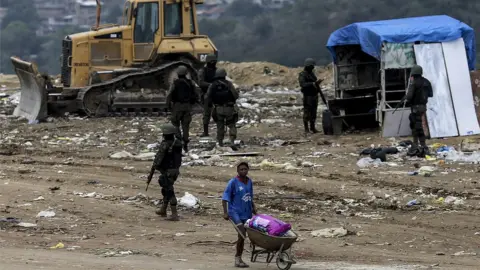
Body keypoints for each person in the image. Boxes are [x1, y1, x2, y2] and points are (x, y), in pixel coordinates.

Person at [222, 161, 257, 268]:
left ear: (248, 170)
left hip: (246, 213)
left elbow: (250, 196)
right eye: (241, 169)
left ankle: (239, 259)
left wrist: (253, 208)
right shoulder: (233, 182)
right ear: (237, 171)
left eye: (245, 169)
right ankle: (237, 258)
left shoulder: (249, 181)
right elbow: (225, 198)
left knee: (242, 237)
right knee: (242, 233)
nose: (243, 171)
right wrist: (225, 212)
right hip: (235, 212)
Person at [147, 123, 183, 221]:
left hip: (167, 171)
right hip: (175, 170)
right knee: (166, 189)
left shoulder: (165, 144)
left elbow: (158, 159)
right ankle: (163, 209)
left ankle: (174, 214)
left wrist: (154, 168)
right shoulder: (178, 143)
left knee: (169, 190)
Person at [166, 65, 198, 152]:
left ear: (178, 73)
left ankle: (179, 139)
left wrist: (168, 106)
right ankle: (185, 143)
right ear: (186, 73)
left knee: (175, 124)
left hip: (177, 106)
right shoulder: (191, 83)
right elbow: (196, 95)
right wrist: (192, 104)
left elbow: (169, 95)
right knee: (186, 126)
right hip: (187, 107)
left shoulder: (175, 83)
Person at [205, 68, 239, 147]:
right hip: (229, 108)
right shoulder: (229, 84)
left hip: (218, 108)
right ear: (224, 75)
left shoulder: (212, 85)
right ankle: (232, 141)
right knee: (231, 124)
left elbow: (207, 96)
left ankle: (220, 142)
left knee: (220, 125)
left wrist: (210, 104)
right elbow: (235, 95)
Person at [405, 64, 433, 157]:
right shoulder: (427, 82)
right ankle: (418, 144)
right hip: (423, 107)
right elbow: (430, 94)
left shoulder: (414, 83)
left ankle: (420, 145)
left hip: (415, 107)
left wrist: (408, 95)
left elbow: (409, 97)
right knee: (416, 124)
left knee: (416, 126)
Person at [298, 58, 323, 134]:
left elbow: (314, 82)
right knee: (307, 112)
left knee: (314, 112)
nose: (312, 68)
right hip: (308, 96)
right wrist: (313, 84)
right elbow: (303, 84)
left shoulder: (312, 74)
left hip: (314, 95)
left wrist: (317, 83)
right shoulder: (302, 74)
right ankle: (306, 129)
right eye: (311, 66)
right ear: (307, 66)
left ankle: (313, 128)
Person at [198, 54, 218, 137]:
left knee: (218, 114)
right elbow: (201, 83)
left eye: (214, 62)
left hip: (216, 95)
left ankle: (220, 130)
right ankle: (205, 132)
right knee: (206, 114)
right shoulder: (202, 71)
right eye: (212, 62)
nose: (213, 63)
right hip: (206, 95)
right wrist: (211, 85)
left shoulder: (217, 71)